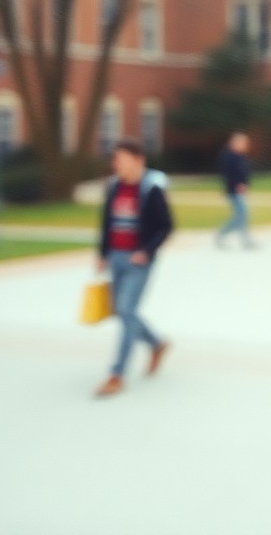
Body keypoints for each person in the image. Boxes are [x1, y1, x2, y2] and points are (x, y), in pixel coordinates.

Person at [94, 140, 174, 398]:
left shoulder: (151, 188)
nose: (115, 163)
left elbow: (166, 226)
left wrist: (147, 251)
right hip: (116, 257)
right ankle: (156, 344)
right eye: (115, 159)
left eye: (121, 158)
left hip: (138, 261)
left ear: (138, 160)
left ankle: (117, 374)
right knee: (122, 312)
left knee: (127, 310)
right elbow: (107, 222)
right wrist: (102, 253)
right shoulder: (114, 186)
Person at [215, 131, 255, 248]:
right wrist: (237, 185)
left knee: (242, 216)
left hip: (241, 190)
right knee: (241, 216)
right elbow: (229, 175)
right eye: (242, 143)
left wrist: (245, 185)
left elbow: (245, 173)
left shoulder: (241, 156)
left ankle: (242, 239)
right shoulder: (228, 156)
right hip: (234, 191)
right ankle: (224, 235)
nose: (245, 145)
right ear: (234, 142)